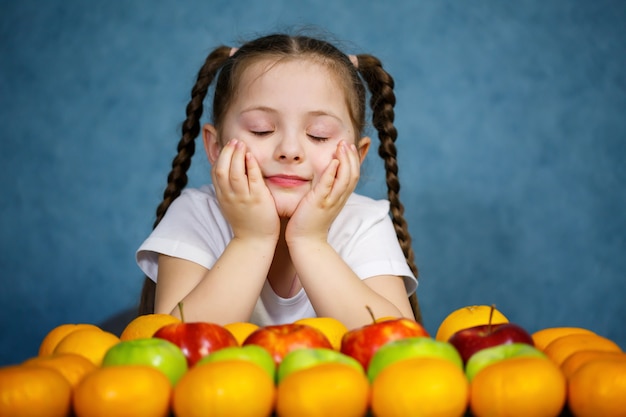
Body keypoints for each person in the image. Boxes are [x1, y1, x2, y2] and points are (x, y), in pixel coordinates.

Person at [136, 32, 422, 329]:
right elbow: (177, 343)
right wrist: (251, 238)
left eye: (318, 134)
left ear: (357, 156)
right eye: (261, 130)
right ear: (216, 146)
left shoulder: (363, 222)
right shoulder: (196, 214)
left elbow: (397, 346)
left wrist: (310, 241)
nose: (289, 151)